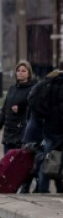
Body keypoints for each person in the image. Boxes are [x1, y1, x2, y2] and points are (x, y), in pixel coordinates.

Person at [32, 62, 63, 194]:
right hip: (59, 129)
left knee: (49, 157)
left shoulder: (49, 81)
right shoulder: (60, 85)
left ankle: (43, 187)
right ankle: (53, 187)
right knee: (55, 158)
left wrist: (44, 116)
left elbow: (33, 100)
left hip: (49, 128)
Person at [0, 61, 35, 155]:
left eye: (23, 71)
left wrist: (21, 107)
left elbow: (32, 106)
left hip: (21, 132)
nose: (20, 72)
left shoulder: (32, 89)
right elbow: (5, 107)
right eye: (18, 70)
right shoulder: (12, 88)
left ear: (29, 74)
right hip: (8, 132)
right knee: (7, 163)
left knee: (18, 164)